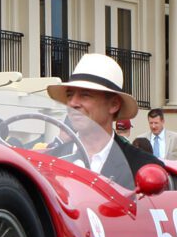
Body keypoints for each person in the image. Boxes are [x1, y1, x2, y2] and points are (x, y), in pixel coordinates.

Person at [43, 53, 163, 189]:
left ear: (114, 104)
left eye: (85, 95)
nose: (73, 103)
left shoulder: (143, 167)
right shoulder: (51, 161)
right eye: (69, 95)